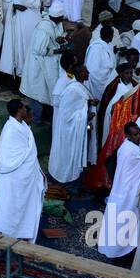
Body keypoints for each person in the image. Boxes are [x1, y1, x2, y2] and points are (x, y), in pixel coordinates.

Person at [98, 122, 140, 267]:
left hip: (127, 192)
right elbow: (135, 176)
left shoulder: (130, 147)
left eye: (139, 133)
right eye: (135, 134)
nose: (139, 136)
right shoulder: (128, 151)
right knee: (125, 223)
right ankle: (120, 252)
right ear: (127, 136)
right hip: (128, 194)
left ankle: (128, 250)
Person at [0, 99, 45, 242]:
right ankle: (9, 231)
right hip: (15, 175)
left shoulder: (21, 125)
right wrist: (29, 158)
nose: (26, 109)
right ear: (19, 110)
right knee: (12, 204)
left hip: (23, 172)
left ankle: (24, 230)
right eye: (23, 107)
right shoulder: (10, 129)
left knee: (23, 204)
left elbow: (28, 148)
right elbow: (8, 156)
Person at [49, 56, 91, 186]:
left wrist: (88, 103)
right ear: (79, 74)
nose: (88, 73)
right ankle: (66, 181)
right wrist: (86, 115)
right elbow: (67, 115)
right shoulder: (72, 90)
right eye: (85, 72)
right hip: (68, 131)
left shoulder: (79, 86)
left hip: (76, 129)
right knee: (67, 155)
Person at [21, 0, 66, 120]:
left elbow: (54, 37)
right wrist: (58, 51)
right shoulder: (44, 28)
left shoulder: (53, 24)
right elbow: (39, 50)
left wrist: (59, 40)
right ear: (57, 17)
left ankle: (42, 116)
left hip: (48, 64)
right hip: (39, 65)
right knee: (38, 93)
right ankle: (35, 119)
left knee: (45, 92)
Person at [0, 0, 42, 79]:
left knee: (29, 51)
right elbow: (5, 6)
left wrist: (24, 7)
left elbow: (36, 6)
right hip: (17, 28)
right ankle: (18, 79)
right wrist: (14, 6)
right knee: (18, 52)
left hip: (30, 28)